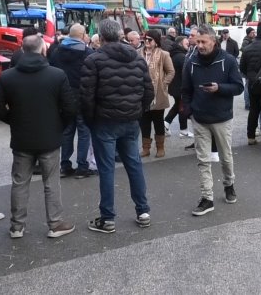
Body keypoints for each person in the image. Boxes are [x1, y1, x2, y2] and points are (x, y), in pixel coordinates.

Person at [0, 34, 77, 239]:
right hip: (50, 137)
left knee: (20, 182)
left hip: (22, 138)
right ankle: (55, 223)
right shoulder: (57, 75)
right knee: (51, 182)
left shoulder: (7, 76)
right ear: (43, 50)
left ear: (22, 49)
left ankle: (17, 226)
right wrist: (59, 126)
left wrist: (13, 119)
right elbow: (70, 108)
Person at [80, 19, 154, 233]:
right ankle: (143, 211)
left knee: (106, 169)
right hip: (130, 120)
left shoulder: (93, 60)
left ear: (101, 38)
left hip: (105, 121)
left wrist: (90, 120)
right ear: (121, 35)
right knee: (134, 165)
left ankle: (108, 217)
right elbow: (148, 91)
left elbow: (86, 96)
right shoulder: (137, 59)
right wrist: (138, 111)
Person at [181, 24, 244, 216]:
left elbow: (238, 87)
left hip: (222, 118)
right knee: (203, 160)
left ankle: (229, 184)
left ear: (213, 41)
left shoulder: (229, 61)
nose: (199, 45)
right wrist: (190, 111)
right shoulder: (191, 62)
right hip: (200, 118)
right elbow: (185, 89)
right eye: (197, 41)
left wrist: (220, 88)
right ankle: (207, 197)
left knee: (225, 157)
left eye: (203, 41)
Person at [49, 24, 96, 179]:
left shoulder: (56, 52)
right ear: (82, 36)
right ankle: (82, 166)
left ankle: (65, 165)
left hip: (64, 97)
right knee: (84, 132)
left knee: (67, 131)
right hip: (82, 97)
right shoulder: (88, 53)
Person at [138, 29, 175, 158]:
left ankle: (160, 148)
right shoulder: (138, 53)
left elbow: (171, 71)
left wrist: (164, 84)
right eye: (145, 39)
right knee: (144, 122)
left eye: (149, 40)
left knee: (158, 121)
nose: (146, 42)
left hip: (157, 94)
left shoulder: (164, 54)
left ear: (156, 41)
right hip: (142, 93)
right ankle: (145, 148)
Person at [239, 22, 261, 146]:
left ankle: (251, 137)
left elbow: (242, 67)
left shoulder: (247, 49)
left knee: (253, 110)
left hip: (252, 83)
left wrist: (250, 76)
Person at [164, 36, 193, 138]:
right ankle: (183, 130)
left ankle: (166, 124)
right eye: (186, 43)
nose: (188, 45)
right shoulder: (181, 56)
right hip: (180, 87)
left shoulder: (175, 54)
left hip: (176, 86)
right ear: (180, 44)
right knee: (181, 108)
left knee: (178, 106)